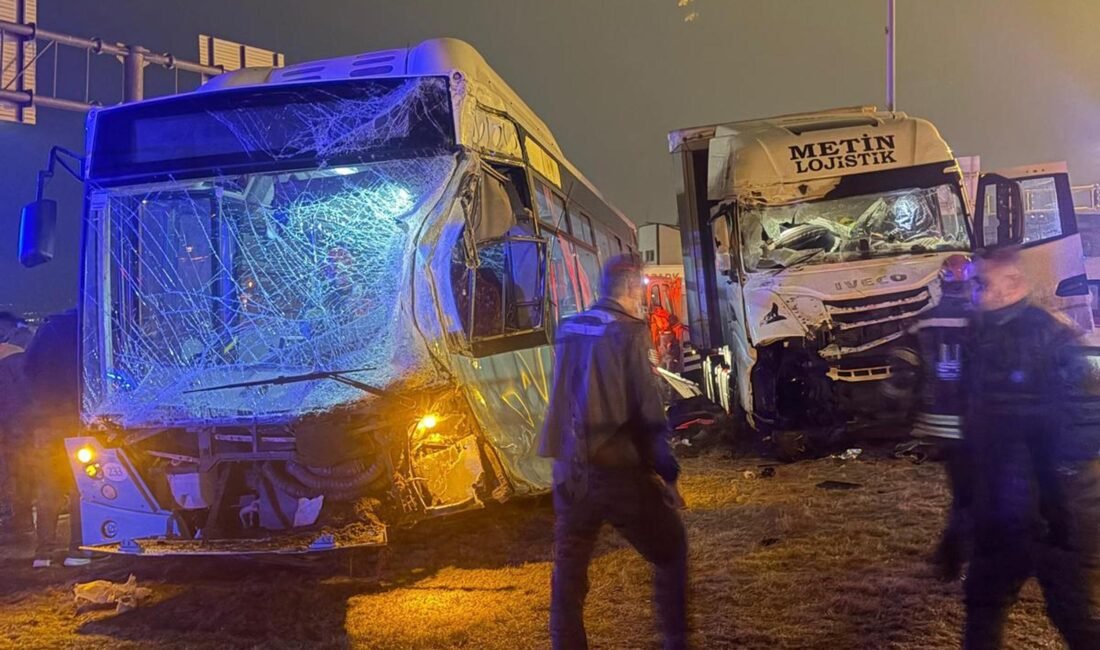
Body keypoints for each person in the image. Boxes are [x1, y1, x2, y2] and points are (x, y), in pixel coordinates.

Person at [538, 254, 688, 650]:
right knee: (672, 550)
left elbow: (562, 398)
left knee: (569, 575)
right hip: (617, 469)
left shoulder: (569, 328)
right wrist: (667, 474)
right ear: (629, 286)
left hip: (570, 471)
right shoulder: (628, 331)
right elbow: (647, 411)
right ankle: (676, 642)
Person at [962, 248, 1100, 649]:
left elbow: (1084, 426)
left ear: (1012, 285)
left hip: (1057, 517)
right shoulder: (981, 335)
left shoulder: (1055, 339)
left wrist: (1054, 510)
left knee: (1075, 617)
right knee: (984, 604)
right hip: (1007, 512)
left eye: (980, 283)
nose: (973, 292)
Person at [908, 254, 976, 580]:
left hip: (938, 420)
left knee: (965, 490)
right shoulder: (980, 320)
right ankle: (950, 559)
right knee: (970, 494)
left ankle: (950, 557)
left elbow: (911, 369)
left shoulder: (923, 320)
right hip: (969, 420)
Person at [22, 308, 89, 568]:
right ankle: (78, 550)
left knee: (49, 486)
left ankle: (44, 554)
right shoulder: (89, 327)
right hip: (81, 418)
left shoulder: (48, 329)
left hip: (46, 420)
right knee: (80, 486)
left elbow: (28, 369)